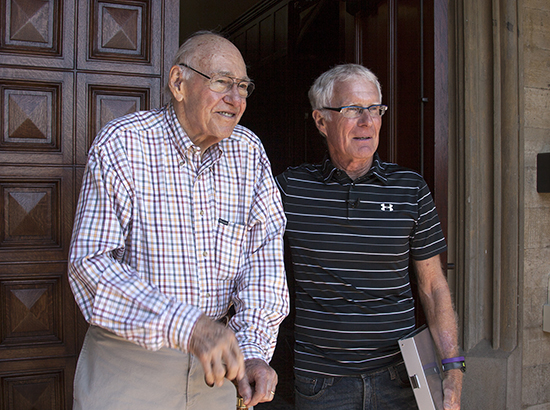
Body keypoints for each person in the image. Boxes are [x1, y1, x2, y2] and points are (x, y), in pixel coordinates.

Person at [68, 31, 289, 410]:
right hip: (129, 366)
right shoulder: (124, 143)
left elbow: (263, 264)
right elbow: (91, 265)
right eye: (222, 82)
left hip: (218, 369)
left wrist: (252, 351)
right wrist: (188, 326)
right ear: (178, 82)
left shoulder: (249, 153)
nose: (235, 100)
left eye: (243, 87)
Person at [276, 64, 463, 410]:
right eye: (352, 110)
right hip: (321, 382)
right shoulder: (291, 189)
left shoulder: (410, 189)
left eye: (375, 109)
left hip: (402, 377)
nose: (367, 121)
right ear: (321, 121)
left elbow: (433, 286)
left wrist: (452, 365)